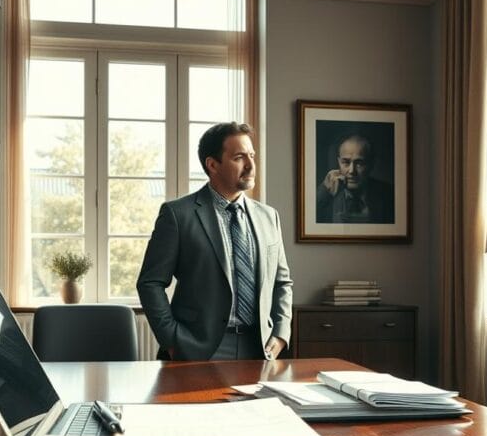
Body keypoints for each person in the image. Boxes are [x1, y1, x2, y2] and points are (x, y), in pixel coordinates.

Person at [137, 122, 293, 361]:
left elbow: (282, 282)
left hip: (260, 349)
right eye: (239, 157)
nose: (251, 165)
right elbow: (150, 283)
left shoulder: (268, 217)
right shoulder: (178, 215)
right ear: (212, 165)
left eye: (252, 155)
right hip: (198, 349)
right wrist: (172, 340)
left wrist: (281, 333)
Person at [316, 134, 395, 224]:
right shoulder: (323, 195)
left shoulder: (389, 194)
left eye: (359, 163)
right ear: (339, 162)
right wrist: (324, 192)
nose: (352, 171)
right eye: (345, 162)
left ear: (371, 164)